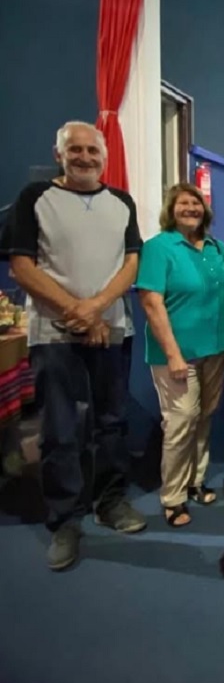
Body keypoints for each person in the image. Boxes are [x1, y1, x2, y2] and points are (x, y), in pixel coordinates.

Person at [6, 121, 145, 570]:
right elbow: (22, 267)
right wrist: (78, 311)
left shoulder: (121, 202)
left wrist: (100, 308)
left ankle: (111, 502)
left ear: (104, 157)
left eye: (92, 151)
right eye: (76, 150)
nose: (85, 157)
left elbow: (131, 262)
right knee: (60, 430)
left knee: (112, 422)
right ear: (59, 153)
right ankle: (64, 519)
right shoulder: (35, 198)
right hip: (55, 333)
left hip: (112, 329)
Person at [137, 183, 224, 527]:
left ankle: (196, 481)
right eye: (183, 203)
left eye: (196, 203)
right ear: (171, 209)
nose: (191, 208)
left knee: (204, 417)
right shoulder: (158, 248)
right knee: (180, 422)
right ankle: (173, 497)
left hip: (217, 349)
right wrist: (174, 355)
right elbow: (151, 302)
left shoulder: (216, 248)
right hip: (176, 355)